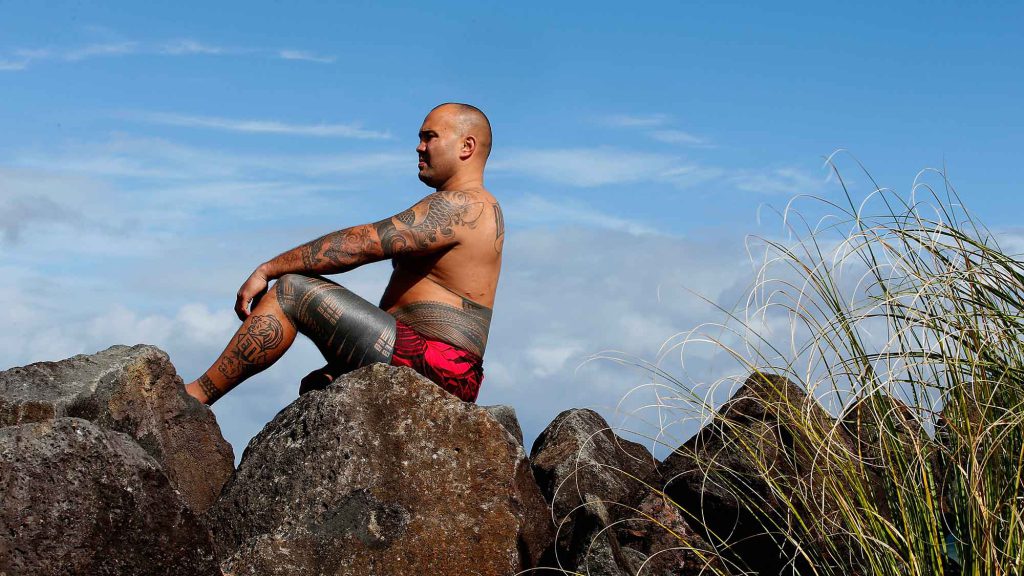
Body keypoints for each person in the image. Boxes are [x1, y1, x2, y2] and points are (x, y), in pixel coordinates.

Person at [185, 103, 503, 405]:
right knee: (319, 385)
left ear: (467, 147)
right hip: (435, 361)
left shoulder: (462, 205)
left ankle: (197, 396)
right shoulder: (477, 206)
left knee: (292, 290)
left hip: (435, 362)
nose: (419, 147)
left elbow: (361, 244)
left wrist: (267, 269)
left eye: (429, 137)